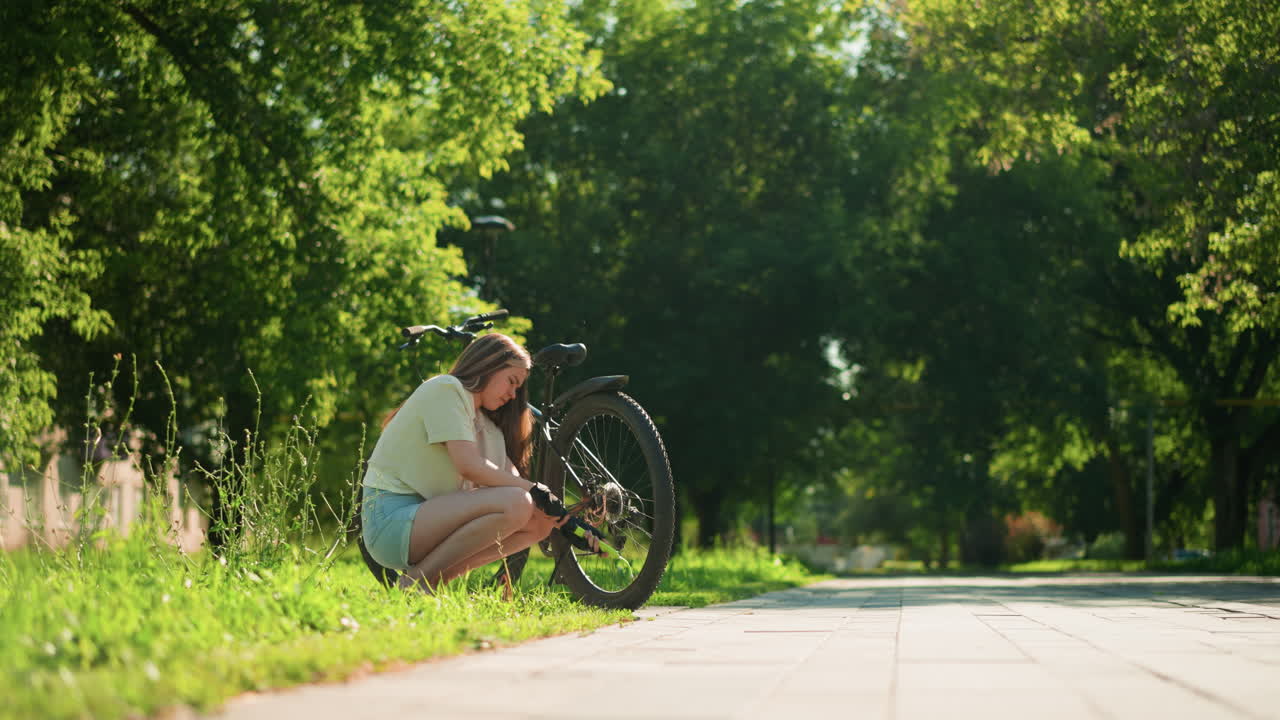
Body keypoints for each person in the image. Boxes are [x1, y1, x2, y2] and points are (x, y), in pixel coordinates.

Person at [360, 332, 572, 595]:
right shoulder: (446, 389)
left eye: (517, 388)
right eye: (511, 381)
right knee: (518, 502)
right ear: (489, 365)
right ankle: (416, 583)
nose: (512, 394)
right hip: (389, 523)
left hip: (424, 519)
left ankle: (430, 582)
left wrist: (575, 524)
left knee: (540, 522)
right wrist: (535, 490)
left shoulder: (485, 426)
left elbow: (515, 483)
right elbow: (469, 466)